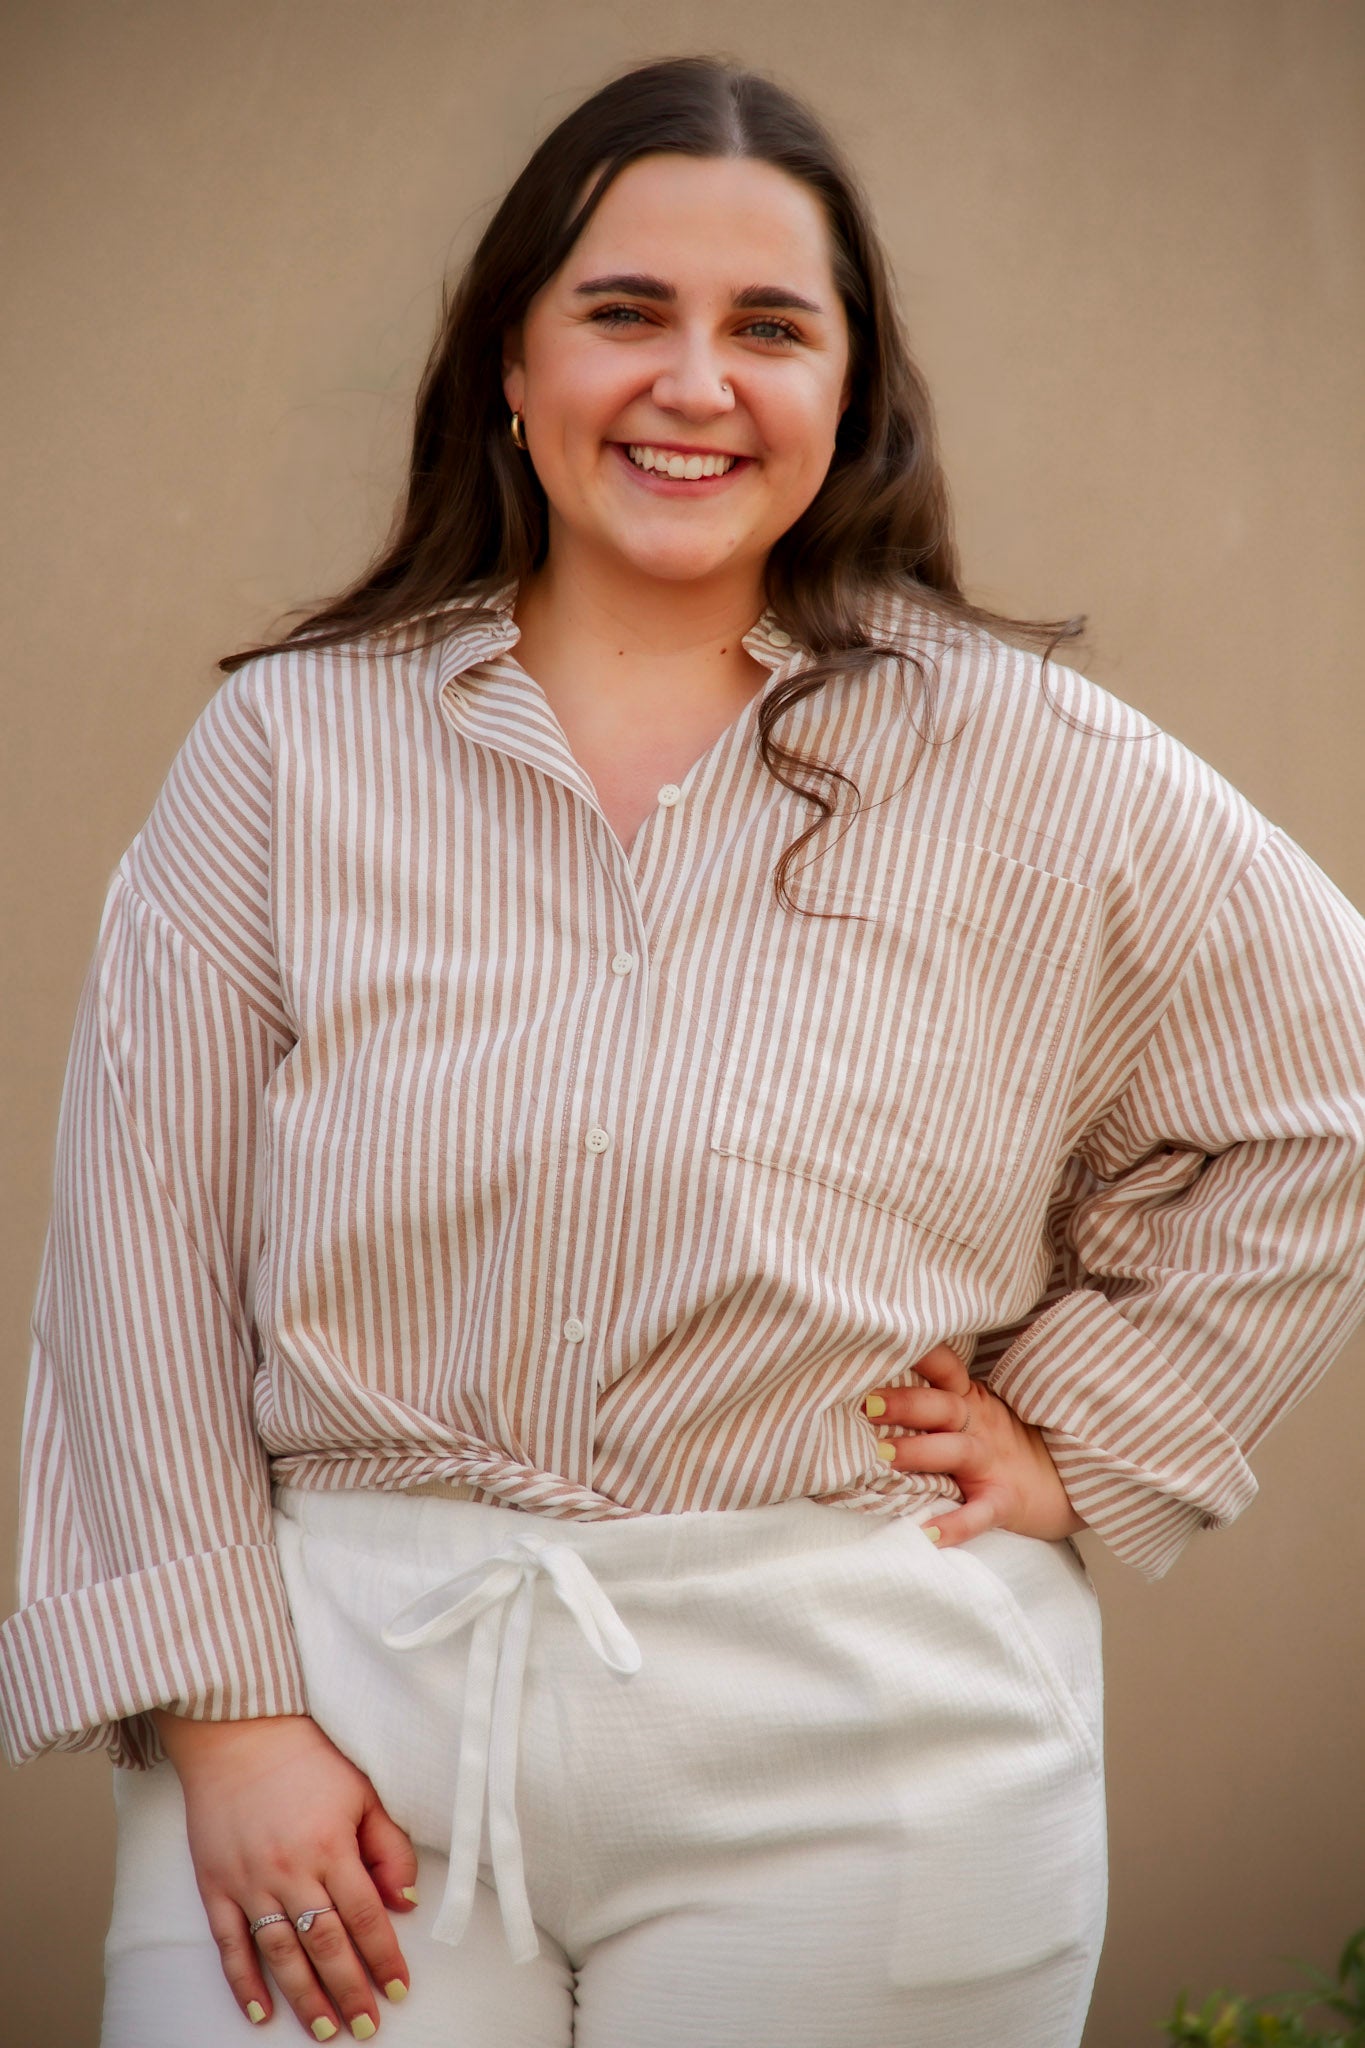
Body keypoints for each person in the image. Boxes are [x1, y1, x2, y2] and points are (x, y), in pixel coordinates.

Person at [3, 51, 1364, 2048]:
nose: (692, 383)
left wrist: (1088, 1428)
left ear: (846, 393)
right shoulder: (289, 752)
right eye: (623, 312)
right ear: (510, 364)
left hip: (862, 1730)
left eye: (768, 329)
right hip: (343, 1714)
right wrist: (230, 1721)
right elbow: (137, 1256)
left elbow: (1320, 1088)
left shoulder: (1019, 757)